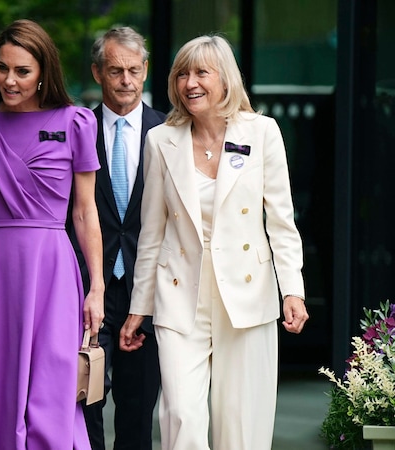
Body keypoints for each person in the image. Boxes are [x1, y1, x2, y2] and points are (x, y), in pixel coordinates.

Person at [119, 35, 309, 450]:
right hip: (179, 293)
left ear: (225, 79)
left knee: (240, 425)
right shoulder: (161, 141)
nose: (190, 83)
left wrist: (292, 290)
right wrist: (139, 307)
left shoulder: (262, 133)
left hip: (246, 293)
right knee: (182, 416)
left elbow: (281, 221)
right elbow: (152, 233)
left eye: (201, 72)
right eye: (182, 74)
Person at [0, 19, 105, 450]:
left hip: (53, 269)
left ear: (42, 74)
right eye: (2, 68)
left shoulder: (76, 122)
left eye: (22, 71)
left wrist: (98, 287)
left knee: (52, 384)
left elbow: (85, 211)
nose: (9, 80)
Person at [68, 27, 165, 450]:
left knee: (138, 407)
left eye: (133, 70)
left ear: (145, 71)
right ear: (96, 73)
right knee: (83, 401)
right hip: (88, 286)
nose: (126, 81)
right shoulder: (77, 127)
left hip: (150, 289)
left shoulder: (169, 132)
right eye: (115, 71)